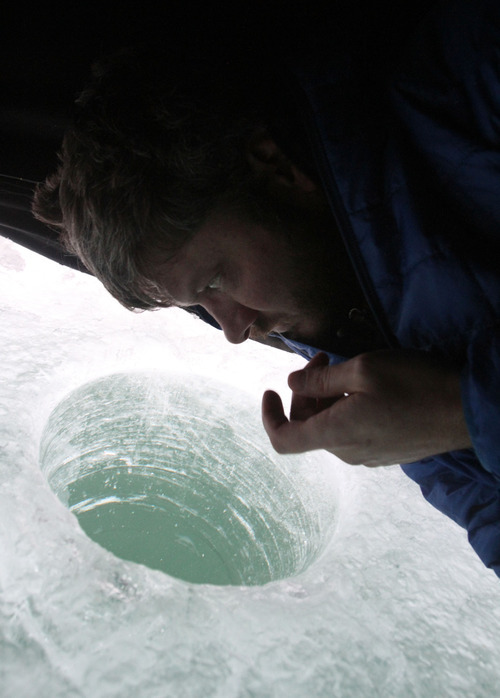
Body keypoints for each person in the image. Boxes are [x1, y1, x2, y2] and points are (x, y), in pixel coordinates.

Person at [32, 0, 500, 576]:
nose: (234, 329)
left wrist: (463, 412)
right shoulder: (336, 323)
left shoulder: (474, 83)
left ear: (273, 166)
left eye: (215, 281)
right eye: (200, 306)